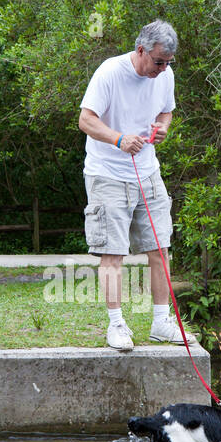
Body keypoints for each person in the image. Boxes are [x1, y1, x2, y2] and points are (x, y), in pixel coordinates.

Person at [78, 19, 195, 351]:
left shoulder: (165, 75)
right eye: (158, 61)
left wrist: (162, 128)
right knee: (113, 253)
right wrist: (118, 139)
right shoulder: (110, 72)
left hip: (148, 173)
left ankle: (161, 323)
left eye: (168, 62)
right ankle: (116, 325)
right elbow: (85, 119)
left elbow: (166, 113)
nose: (162, 68)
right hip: (107, 174)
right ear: (141, 50)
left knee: (160, 249)